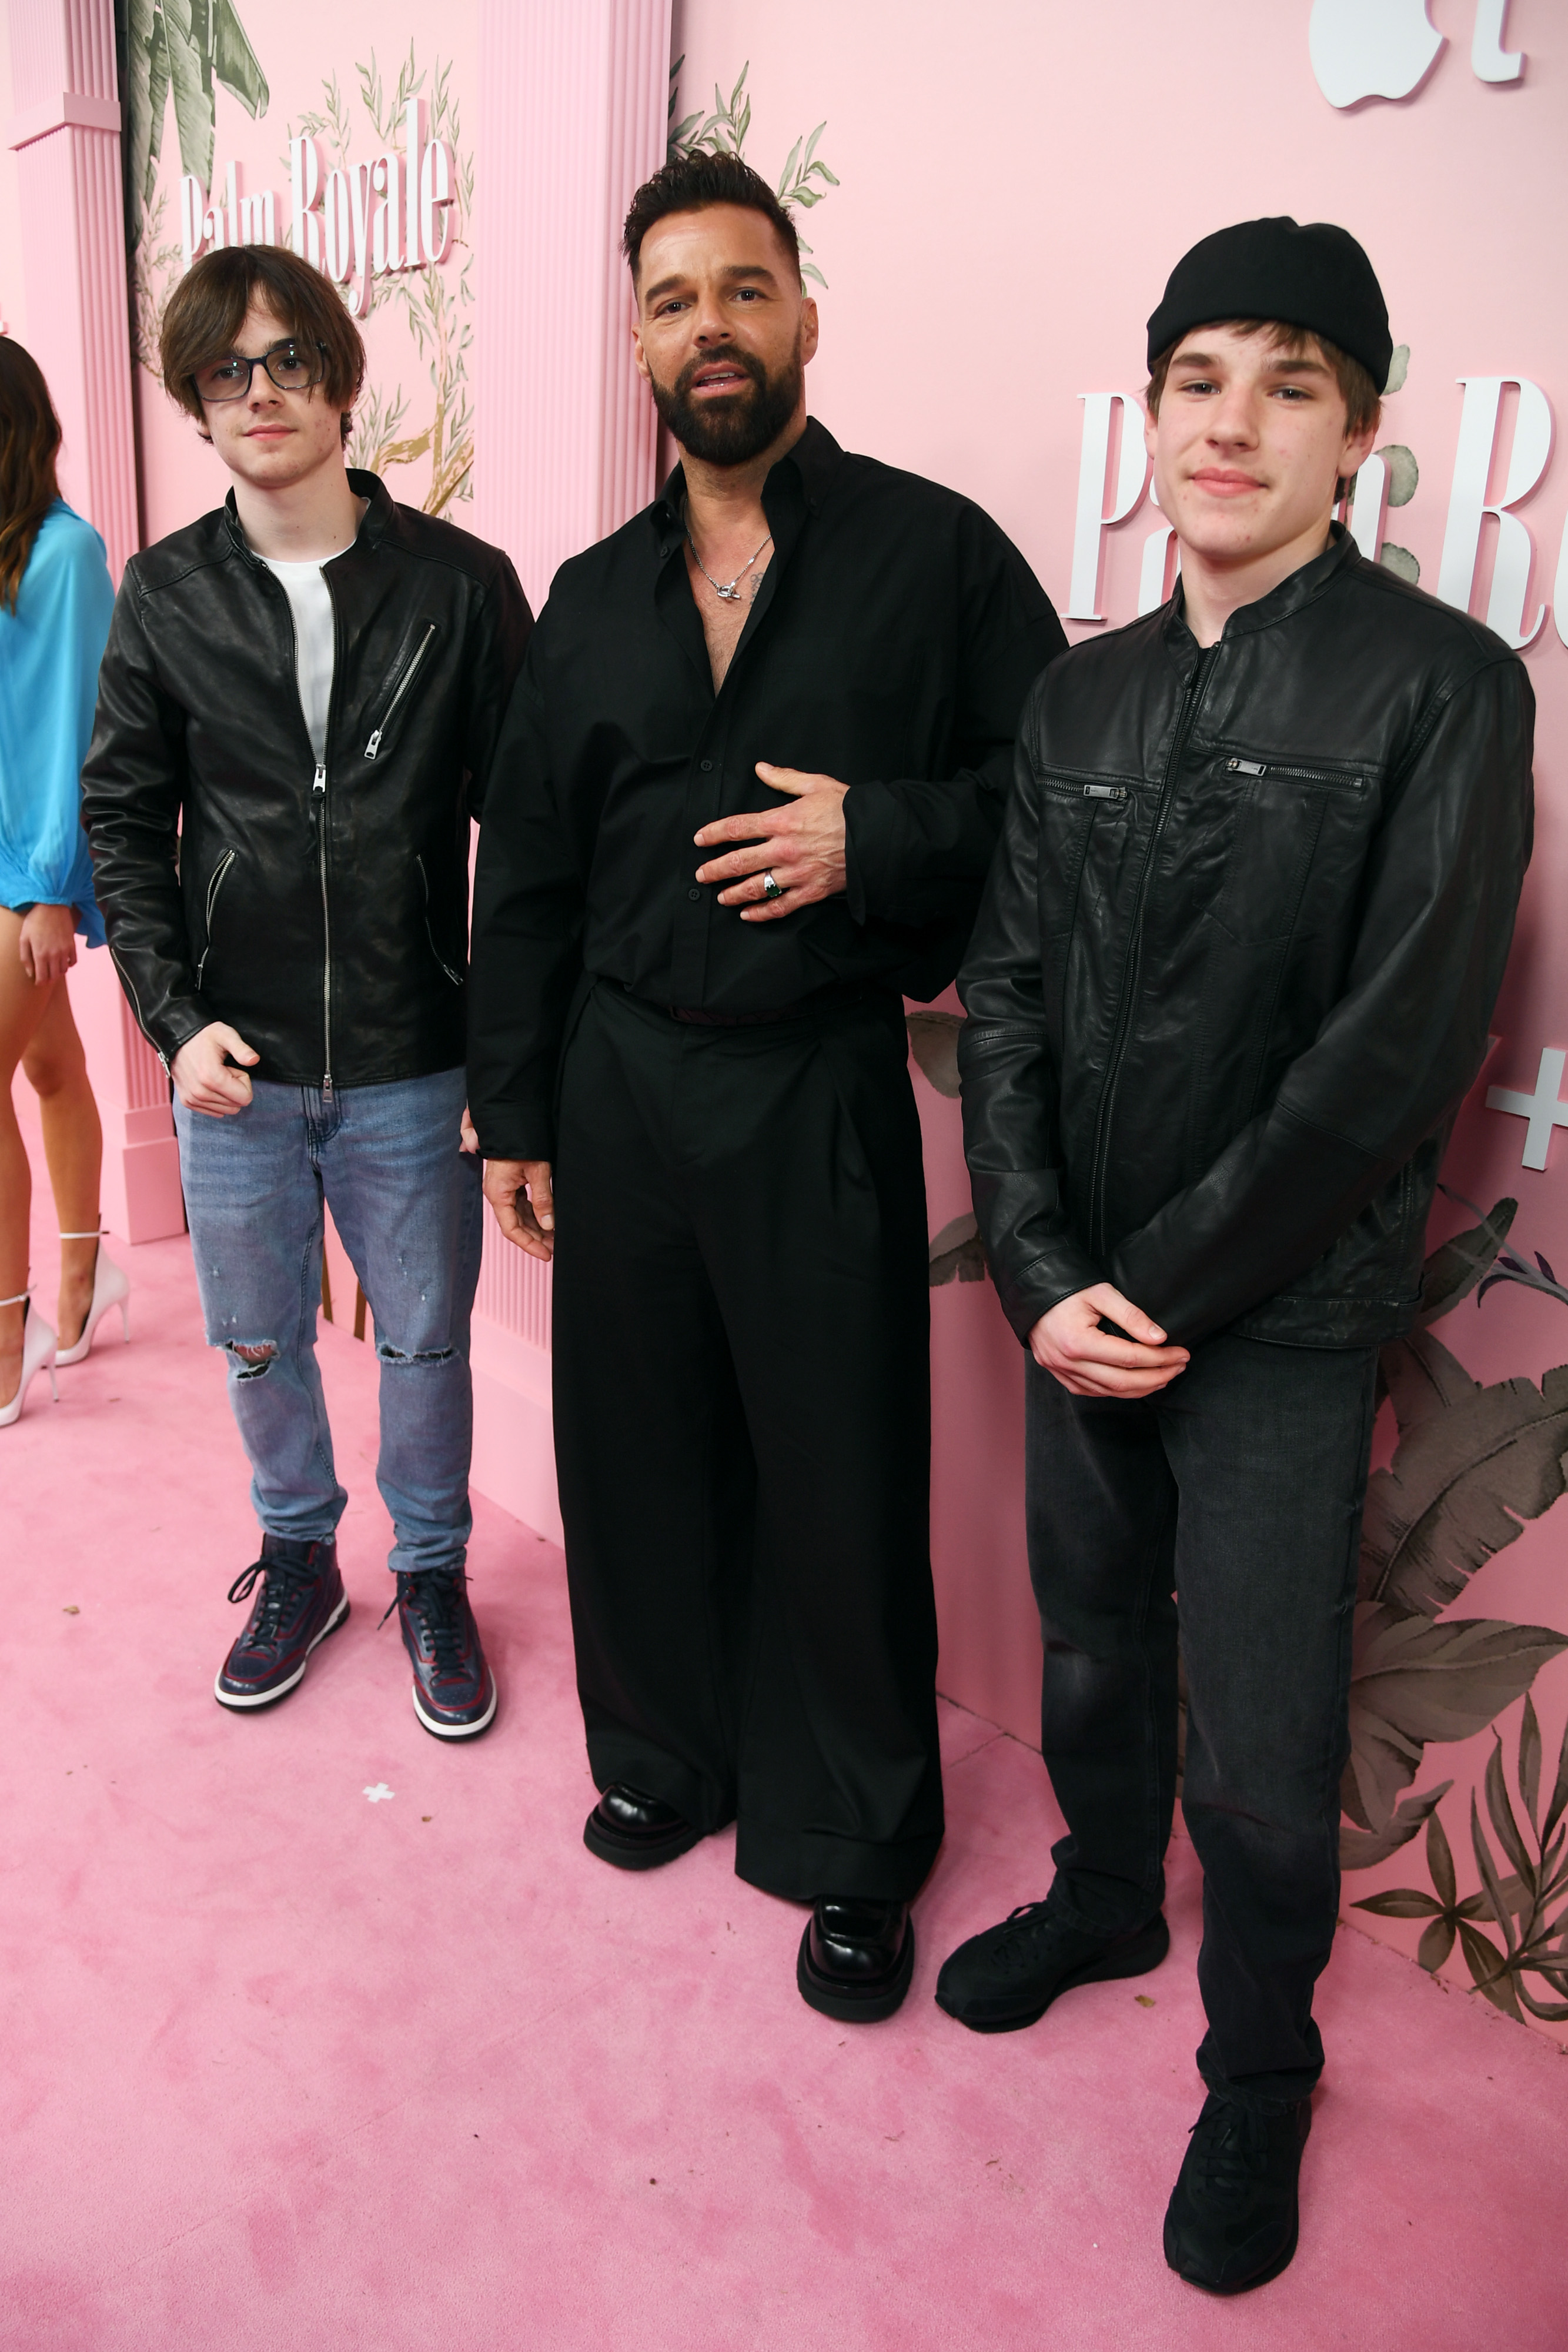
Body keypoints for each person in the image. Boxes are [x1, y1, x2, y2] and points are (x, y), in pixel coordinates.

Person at [937, 217, 1533, 2291]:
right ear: (1151, 406)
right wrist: (1034, 1271)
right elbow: (1000, 998)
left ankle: (1258, 2061)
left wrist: (1157, 1294)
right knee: (1090, 1639)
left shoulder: (1443, 690)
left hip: (1265, 1323)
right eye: (1198, 377)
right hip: (1074, 1290)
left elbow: (1387, 1066)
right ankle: (1101, 1893)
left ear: (1356, 432)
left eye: (1287, 382)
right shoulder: (1080, 697)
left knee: (1265, 1729)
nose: (1230, 422)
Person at [467, 150, 1065, 2020]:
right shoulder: (587, 595)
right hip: (620, 1079)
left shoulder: (936, 554)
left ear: (803, 312)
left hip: (814, 1081)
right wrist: (520, 1112)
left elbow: (1047, 808)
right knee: (630, 1454)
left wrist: (874, 840)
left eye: (739, 289)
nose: (706, 327)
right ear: (638, 342)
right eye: (669, 299)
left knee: (834, 1470)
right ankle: (663, 1759)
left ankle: (853, 1845)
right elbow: (531, 873)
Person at [82, 245, 530, 1732]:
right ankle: (296, 1552)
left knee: (425, 1343)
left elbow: (528, 837)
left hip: (413, 1054)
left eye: (285, 360)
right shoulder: (163, 594)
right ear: (197, 408)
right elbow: (124, 823)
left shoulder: (461, 588)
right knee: (258, 1336)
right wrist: (168, 1013)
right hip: (238, 1064)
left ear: (338, 377)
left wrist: (508, 1054)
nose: (258, 390)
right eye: (226, 370)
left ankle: (431, 1569)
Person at [0, 336, 122, 1428]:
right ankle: (89, 1278)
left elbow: (78, 727)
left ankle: (11, 1326)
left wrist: (49, 886)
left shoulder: (65, 552)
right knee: (49, 1064)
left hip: (27, 865)